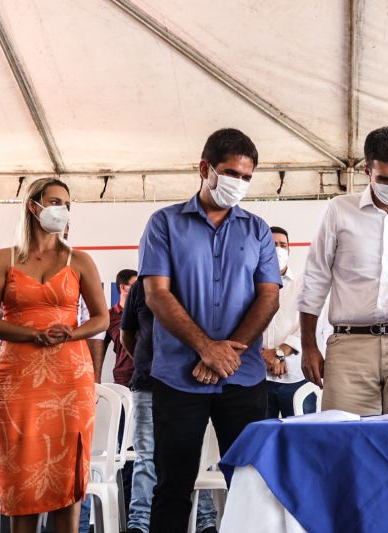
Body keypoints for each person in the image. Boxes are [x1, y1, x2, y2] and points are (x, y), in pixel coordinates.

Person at [138, 128, 281, 533]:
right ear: (205, 169)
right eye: (230, 172)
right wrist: (205, 348)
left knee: (250, 486)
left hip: (243, 377)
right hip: (179, 379)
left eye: (247, 177)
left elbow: (268, 297)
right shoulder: (163, 223)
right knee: (172, 486)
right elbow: (157, 295)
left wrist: (226, 355)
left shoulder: (257, 230)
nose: (239, 184)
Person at [0, 177, 108, 533]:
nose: (62, 210)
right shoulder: (2, 259)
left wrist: (72, 331)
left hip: (70, 380)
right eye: (55, 202)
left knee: (66, 483)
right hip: (18, 380)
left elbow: (101, 317)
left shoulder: (80, 260)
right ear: (33, 206)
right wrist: (32, 333)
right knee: (20, 477)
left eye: (67, 205)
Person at [298, 126, 388, 415]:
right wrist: (309, 346)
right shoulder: (339, 210)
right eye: (385, 179)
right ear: (367, 170)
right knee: (344, 443)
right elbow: (315, 279)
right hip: (350, 347)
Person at [120, 279, 217, 533]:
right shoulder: (141, 287)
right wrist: (148, 364)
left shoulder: (198, 280)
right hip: (148, 384)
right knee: (146, 457)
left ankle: (204, 520)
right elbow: (127, 334)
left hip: (188, 384)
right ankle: (139, 524)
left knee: (192, 455)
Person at [264, 226, 315, 418]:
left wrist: (278, 353)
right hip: (257, 377)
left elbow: (311, 325)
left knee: (300, 441)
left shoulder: (305, 283)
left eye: (282, 245)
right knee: (261, 442)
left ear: (289, 250)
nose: (278, 249)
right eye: (271, 244)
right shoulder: (248, 285)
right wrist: (264, 355)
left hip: (296, 376)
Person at [87, 268, 137, 385]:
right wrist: (95, 383)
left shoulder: (146, 314)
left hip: (148, 378)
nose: (142, 289)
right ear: (123, 287)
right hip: (124, 380)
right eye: (137, 285)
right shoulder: (108, 316)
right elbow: (98, 350)